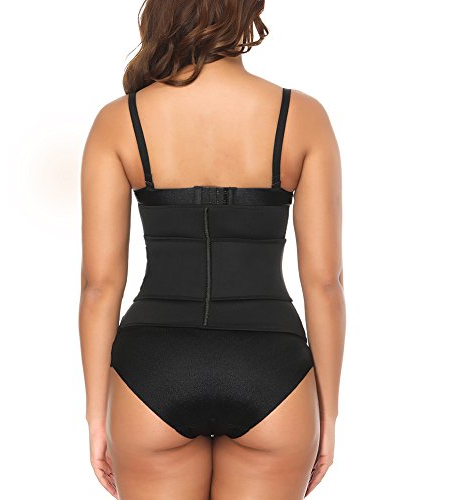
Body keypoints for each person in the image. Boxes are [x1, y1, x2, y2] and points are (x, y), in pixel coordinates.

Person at [79, 1, 345, 498]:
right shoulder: (301, 116)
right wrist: (327, 414)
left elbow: (99, 286)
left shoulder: (120, 120)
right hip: (272, 369)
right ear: (246, 11)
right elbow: (325, 284)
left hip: (152, 369)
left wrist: (97, 416)